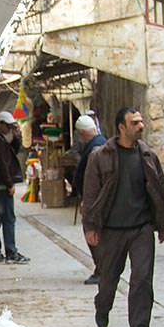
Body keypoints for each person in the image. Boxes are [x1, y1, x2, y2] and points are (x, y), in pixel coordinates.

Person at [80, 107, 164, 327]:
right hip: (111, 230)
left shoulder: (147, 155)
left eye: (141, 121)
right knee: (108, 279)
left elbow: (158, 191)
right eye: (135, 122)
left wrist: (162, 223)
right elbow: (90, 194)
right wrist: (90, 227)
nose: (141, 126)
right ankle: (102, 306)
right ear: (122, 127)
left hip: (141, 228)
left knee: (142, 277)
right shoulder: (100, 156)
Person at [0, 111, 29, 264]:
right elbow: (1, 165)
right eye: (7, 126)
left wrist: (17, 136)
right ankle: (11, 252)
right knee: (8, 219)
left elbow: (12, 152)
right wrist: (9, 184)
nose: (9, 129)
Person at [71, 114, 106, 284]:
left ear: (83, 133)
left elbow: (95, 178)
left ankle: (102, 270)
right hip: (96, 199)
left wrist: (89, 199)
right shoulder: (98, 144)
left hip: (95, 200)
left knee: (93, 234)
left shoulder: (96, 148)